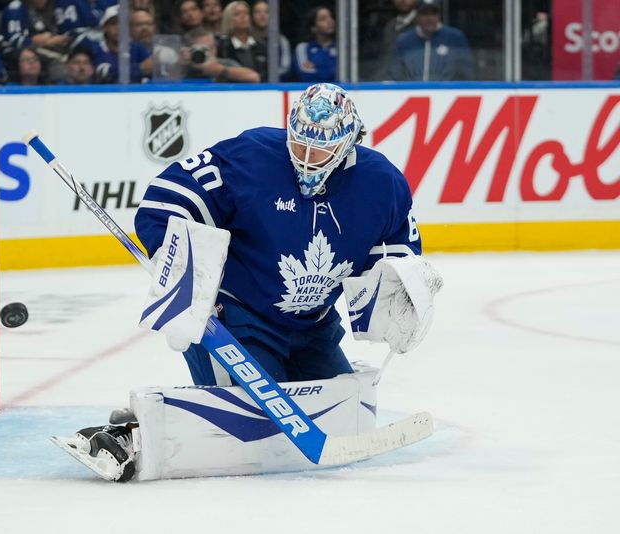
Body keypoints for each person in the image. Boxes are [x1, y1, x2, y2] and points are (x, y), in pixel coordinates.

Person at [68, 83, 442, 481]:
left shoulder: (382, 184)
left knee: (340, 414)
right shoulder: (251, 157)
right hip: (235, 319)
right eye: (300, 145)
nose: (308, 159)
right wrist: (185, 274)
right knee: (250, 425)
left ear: (350, 142)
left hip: (314, 326)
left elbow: (395, 252)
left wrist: (399, 295)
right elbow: (166, 201)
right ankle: (132, 434)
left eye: (321, 151)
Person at [387, 0, 474, 81]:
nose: (429, 18)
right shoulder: (404, 41)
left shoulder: (455, 38)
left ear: (439, 15)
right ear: (417, 15)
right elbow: (395, 74)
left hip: (447, 94)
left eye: (434, 13)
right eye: (425, 13)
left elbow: (467, 73)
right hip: (412, 94)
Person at [86, 5, 151, 83]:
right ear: (104, 28)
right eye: (113, 24)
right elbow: (104, 72)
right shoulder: (95, 50)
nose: (119, 28)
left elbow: (150, 72)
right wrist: (139, 68)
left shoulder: (138, 49)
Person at [182, 27, 260, 83]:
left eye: (210, 48)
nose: (205, 53)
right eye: (200, 49)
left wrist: (219, 70)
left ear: (215, 48)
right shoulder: (184, 65)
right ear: (189, 49)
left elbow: (254, 77)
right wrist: (180, 65)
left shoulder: (225, 64)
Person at [216, 1, 268, 82]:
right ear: (228, 18)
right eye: (237, 14)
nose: (243, 16)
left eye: (246, 13)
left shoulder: (261, 45)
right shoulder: (222, 46)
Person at [374, 0, 418, 80]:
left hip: (411, 84)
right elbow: (385, 60)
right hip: (388, 83)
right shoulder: (389, 26)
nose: (403, 0)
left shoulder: (422, 26)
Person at [251, 0, 292, 81]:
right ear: (252, 16)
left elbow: (285, 67)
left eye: (267, 11)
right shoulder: (247, 39)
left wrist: (265, 78)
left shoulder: (281, 41)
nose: (262, 15)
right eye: (257, 12)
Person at [294, 6, 337, 82]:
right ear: (313, 28)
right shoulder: (303, 48)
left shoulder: (342, 47)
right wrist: (330, 71)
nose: (330, 21)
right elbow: (304, 74)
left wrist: (316, 69)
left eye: (331, 17)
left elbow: (341, 74)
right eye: (323, 19)